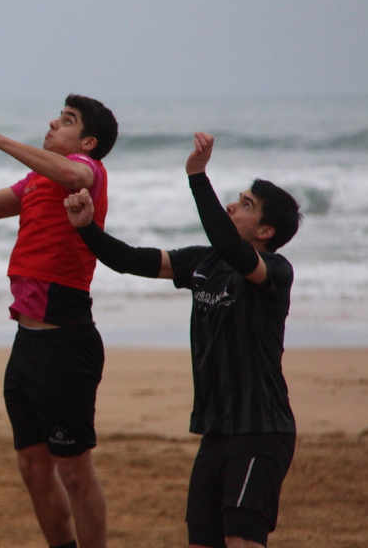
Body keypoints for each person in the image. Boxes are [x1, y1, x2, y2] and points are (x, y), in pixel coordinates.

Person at [64, 132, 302, 548]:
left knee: (241, 541)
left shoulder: (274, 272)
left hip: (260, 430)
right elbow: (130, 260)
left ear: (266, 230)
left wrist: (197, 176)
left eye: (246, 205)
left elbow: (229, 244)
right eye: (237, 199)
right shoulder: (203, 261)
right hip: (215, 432)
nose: (232, 206)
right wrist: (87, 229)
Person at [0, 94, 118, 548]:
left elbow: (75, 175)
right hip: (26, 342)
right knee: (32, 466)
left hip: (66, 343)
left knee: (74, 472)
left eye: (67, 121)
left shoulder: (88, 172)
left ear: (88, 141)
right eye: (58, 117)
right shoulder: (36, 180)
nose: (53, 123)